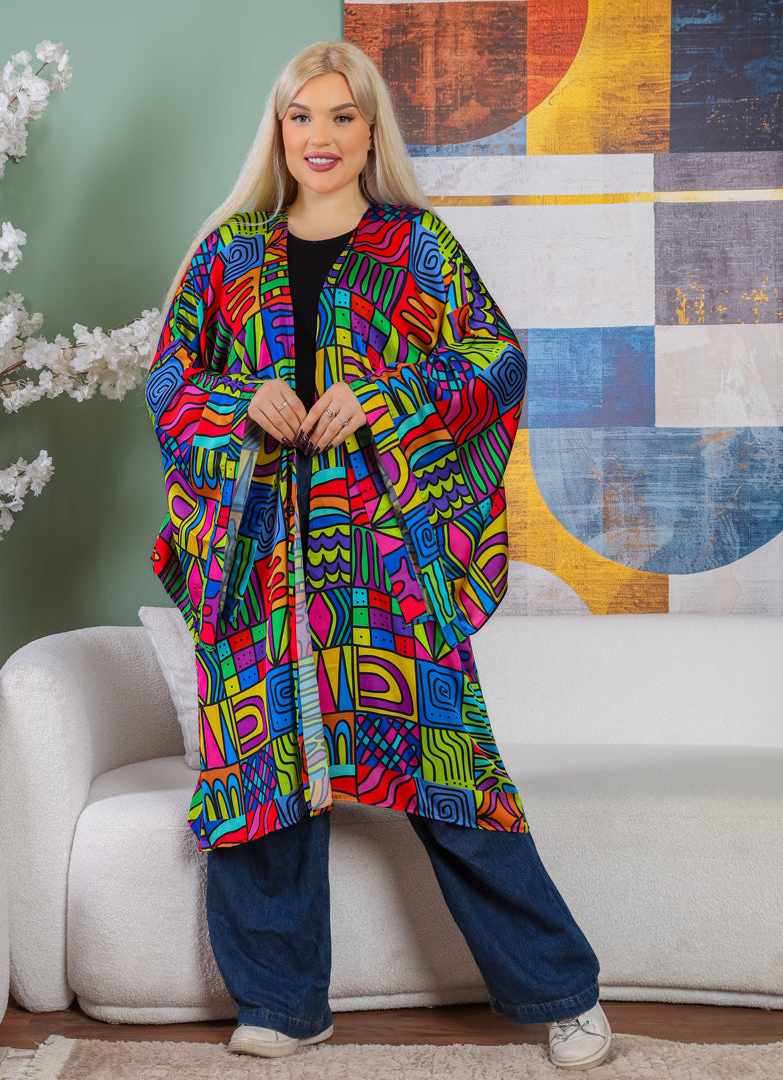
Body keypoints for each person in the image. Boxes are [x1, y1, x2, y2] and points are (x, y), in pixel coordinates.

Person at [144, 40, 612, 1072]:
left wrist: (385, 396)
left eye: (342, 116)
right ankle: (281, 1004)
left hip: (385, 558)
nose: (320, 136)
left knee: (453, 778)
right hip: (261, 567)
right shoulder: (227, 256)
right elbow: (170, 384)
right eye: (301, 115)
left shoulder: (416, 245)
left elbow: (496, 361)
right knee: (262, 785)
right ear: (279, 130)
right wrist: (241, 399)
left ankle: (562, 994)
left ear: (370, 132)